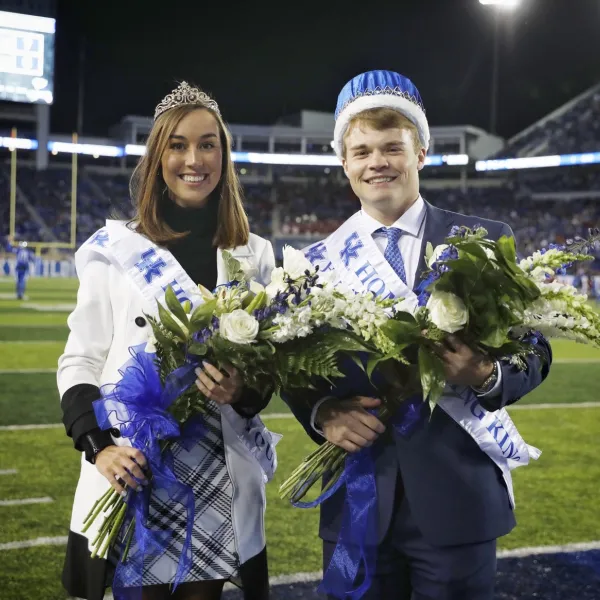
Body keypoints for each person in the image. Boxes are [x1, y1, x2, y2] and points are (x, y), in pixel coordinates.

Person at [283, 70, 552, 600]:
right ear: (344, 164)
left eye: (391, 148)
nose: (376, 162)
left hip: (459, 499)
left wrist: (485, 373)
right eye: (361, 152)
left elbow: (534, 350)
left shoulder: (485, 241)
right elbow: (291, 366)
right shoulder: (310, 263)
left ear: (422, 152)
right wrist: (322, 413)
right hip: (358, 497)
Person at [57, 81, 277, 600]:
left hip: (219, 471)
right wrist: (100, 447)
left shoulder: (256, 255)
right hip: (134, 470)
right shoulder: (115, 251)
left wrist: (241, 389)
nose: (193, 159)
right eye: (177, 145)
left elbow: (267, 376)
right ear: (158, 157)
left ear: (224, 155)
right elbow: (79, 362)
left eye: (208, 144)